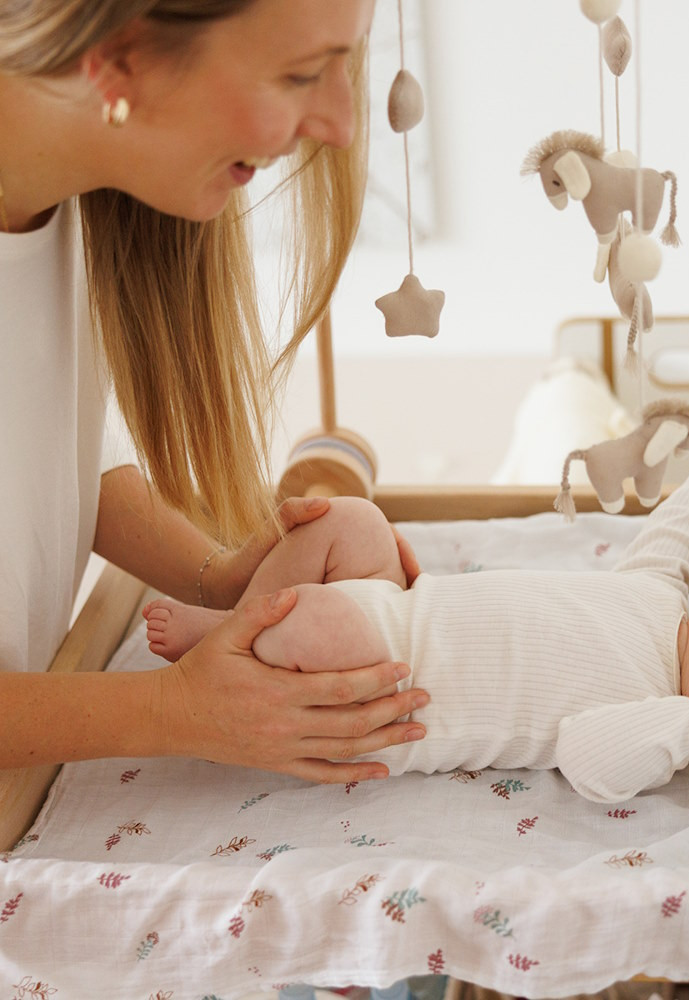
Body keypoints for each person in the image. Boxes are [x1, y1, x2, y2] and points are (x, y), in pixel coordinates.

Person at [0, 0, 430, 783]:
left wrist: (224, 580)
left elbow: (54, 455)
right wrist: (173, 710)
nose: (340, 125)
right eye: (302, 73)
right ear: (118, 53)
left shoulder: (71, 198)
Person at [144, 439, 689, 803]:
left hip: (381, 688)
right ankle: (233, 622)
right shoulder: (657, 586)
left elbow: (589, 761)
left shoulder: (660, 726)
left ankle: (222, 653)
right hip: (405, 603)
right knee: (350, 519)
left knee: (315, 629)